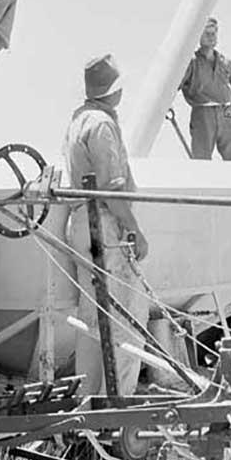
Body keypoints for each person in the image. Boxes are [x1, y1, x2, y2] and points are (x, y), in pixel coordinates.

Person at [64, 53, 150, 397]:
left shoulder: (78, 119)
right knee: (127, 321)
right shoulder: (101, 125)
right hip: (105, 228)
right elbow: (111, 190)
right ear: (114, 90)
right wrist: (134, 230)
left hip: (82, 223)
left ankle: (87, 409)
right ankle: (119, 411)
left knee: (93, 322)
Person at [179, 16, 231, 161]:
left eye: (214, 33)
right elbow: (176, 85)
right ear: (198, 36)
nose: (211, 37)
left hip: (224, 113)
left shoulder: (224, 62)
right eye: (207, 33)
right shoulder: (191, 63)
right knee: (202, 160)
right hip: (202, 114)